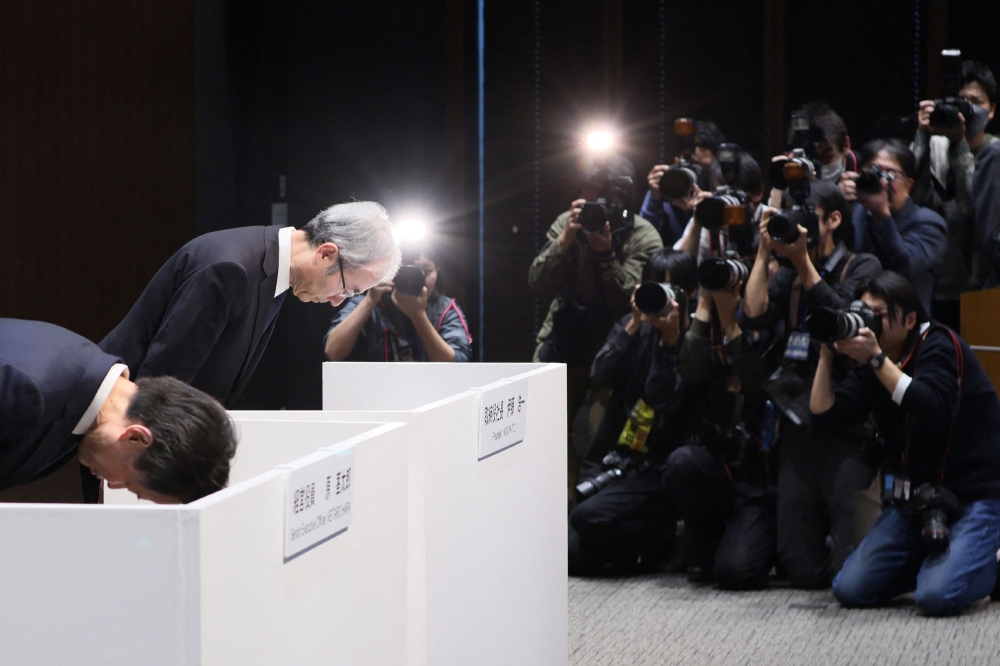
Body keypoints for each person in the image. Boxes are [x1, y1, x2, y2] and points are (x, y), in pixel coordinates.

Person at [810, 272, 1000, 616]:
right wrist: (826, 354)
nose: (868, 322)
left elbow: (931, 407)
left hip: (975, 495)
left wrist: (876, 359)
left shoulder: (941, 344)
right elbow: (825, 418)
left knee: (938, 597)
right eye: (862, 311)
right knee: (849, 589)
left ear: (911, 319)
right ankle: (943, 560)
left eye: (878, 314)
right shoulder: (875, 362)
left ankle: (991, 562)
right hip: (917, 502)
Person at [101, 201, 401, 407]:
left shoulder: (273, 265)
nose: (337, 302)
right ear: (326, 253)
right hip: (127, 421)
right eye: (348, 289)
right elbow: (160, 381)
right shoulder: (232, 268)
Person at [741, 179, 883, 588]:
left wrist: (803, 261)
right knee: (801, 570)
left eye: (807, 219)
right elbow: (752, 314)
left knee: (848, 572)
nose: (796, 227)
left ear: (834, 220)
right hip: (797, 421)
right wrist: (766, 249)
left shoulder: (862, 265)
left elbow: (841, 321)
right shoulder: (785, 272)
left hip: (847, 423)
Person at [528, 155, 663, 491]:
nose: (595, 207)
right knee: (543, 433)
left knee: (596, 439)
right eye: (588, 198)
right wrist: (564, 243)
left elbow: (634, 303)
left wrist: (606, 256)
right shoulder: (568, 224)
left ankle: (586, 516)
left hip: (614, 347)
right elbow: (536, 283)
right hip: (565, 335)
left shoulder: (644, 236)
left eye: (604, 200)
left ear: (624, 198)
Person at [0, 318, 237, 504]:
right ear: (136, 437)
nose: (112, 485)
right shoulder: (28, 388)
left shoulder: (80, 397)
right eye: (130, 484)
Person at [569, 249, 695, 575]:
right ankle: (640, 548)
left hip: (656, 466)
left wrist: (669, 341)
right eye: (655, 288)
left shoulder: (694, 337)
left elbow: (659, 398)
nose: (663, 299)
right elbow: (601, 375)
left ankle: (658, 533)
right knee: (571, 553)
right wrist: (636, 323)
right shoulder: (631, 325)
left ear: (690, 293)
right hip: (615, 456)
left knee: (586, 520)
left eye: (672, 291)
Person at [664, 277, 777, 588]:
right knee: (681, 463)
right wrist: (703, 306)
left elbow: (758, 384)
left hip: (758, 481)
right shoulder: (706, 331)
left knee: (734, 571)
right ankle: (704, 532)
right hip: (718, 467)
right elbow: (689, 373)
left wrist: (731, 321)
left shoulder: (773, 321)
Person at [911, 61, 999, 324]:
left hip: (978, 287)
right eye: (961, 101)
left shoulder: (995, 154)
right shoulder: (936, 148)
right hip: (934, 284)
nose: (968, 109)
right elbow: (908, 197)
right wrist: (922, 137)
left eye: (976, 101)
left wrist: (960, 144)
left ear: (991, 110)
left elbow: (972, 208)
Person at [841, 139, 948, 317]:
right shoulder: (856, 211)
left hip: (904, 324)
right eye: (873, 172)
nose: (882, 182)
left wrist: (881, 214)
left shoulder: (929, 223)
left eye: (891, 175)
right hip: (853, 317)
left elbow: (904, 268)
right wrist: (839, 207)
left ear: (909, 185)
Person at [324, 247, 472, 362]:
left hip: (433, 396)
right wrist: (370, 300)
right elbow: (333, 352)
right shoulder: (370, 303)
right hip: (377, 395)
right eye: (407, 272)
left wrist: (418, 315)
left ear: (437, 273)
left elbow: (456, 364)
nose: (415, 279)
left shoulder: (446, 309)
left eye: (426, 271)